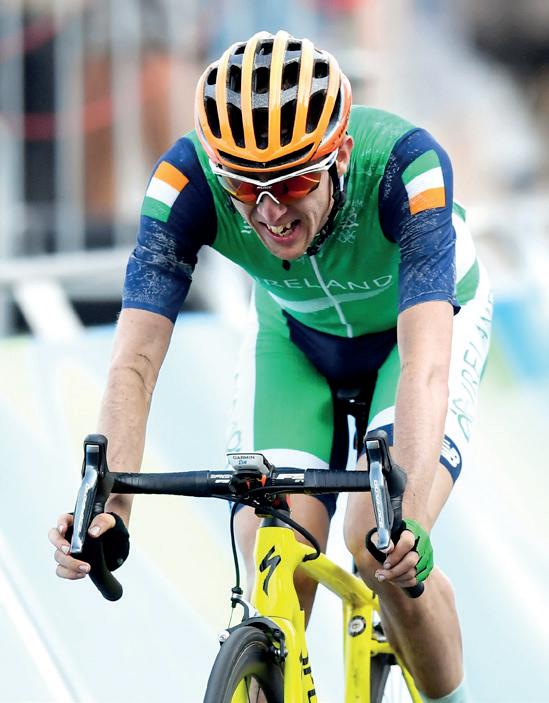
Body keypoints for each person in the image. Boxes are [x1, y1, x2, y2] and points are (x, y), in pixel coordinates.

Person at [49, 30, 492, 703]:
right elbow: (133, 362)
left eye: (294, 181)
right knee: (274, 550)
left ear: (341, 153)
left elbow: (426, 367)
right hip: (295, 341)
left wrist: (407, 521)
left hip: (416, 338)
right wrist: (111, 509)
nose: (270, 210)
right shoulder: (183, 182)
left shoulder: (409, 169)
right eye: (242, 186)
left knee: (376, 543)